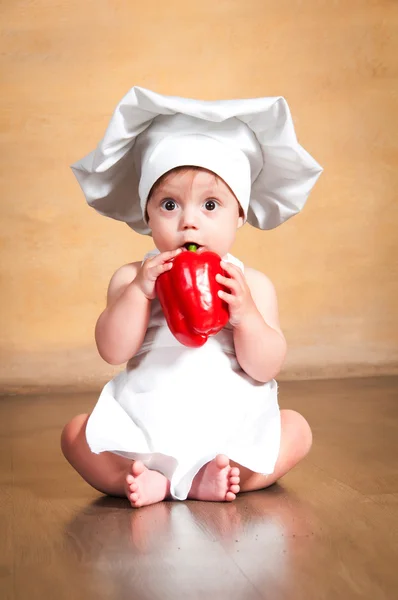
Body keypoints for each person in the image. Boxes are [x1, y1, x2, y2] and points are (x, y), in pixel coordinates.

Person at [61, 87, 323, 508]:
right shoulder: (132, 276)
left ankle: (222, 475)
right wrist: (138, 294)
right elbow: (112, 350)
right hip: (147, 425)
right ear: (146, 215)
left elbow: (266, 366)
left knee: (296, 429)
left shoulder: (251, 284)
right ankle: (143, 477)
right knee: (75, 433)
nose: (189, 223)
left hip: (229, 426)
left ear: (240, 213)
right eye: (169, 204)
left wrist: (247, 316)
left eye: (211, 205)